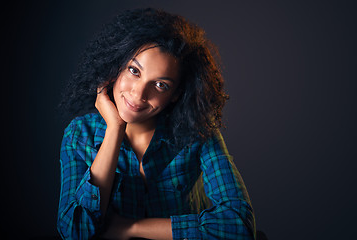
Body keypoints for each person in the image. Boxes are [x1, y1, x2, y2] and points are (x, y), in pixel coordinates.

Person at [57, 8, 256, 240]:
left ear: (175, 94)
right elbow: (74, 231)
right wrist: (115, 129)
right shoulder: (80, 135)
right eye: (134, 71)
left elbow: (238, 226)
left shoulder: (198, 132)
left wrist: (131, 228)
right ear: (116, 66)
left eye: (160, 85)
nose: (139, 94)